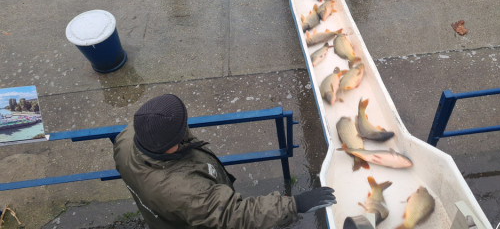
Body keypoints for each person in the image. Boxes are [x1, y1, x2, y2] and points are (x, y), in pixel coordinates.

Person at [113, 94, 336, 228]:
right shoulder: (187, 192)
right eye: (183, 128)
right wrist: (294, 204)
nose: (186, 128)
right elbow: (232, 215)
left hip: (162, 217)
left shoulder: (126, 139)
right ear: (170, 144)